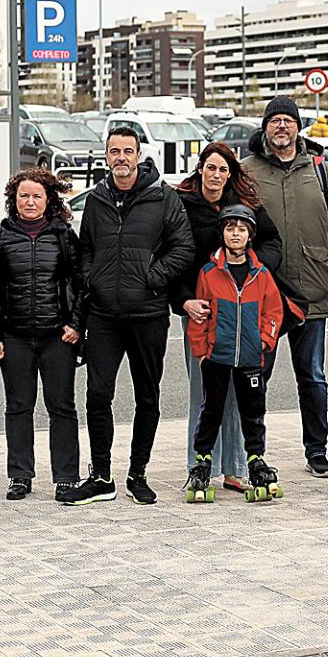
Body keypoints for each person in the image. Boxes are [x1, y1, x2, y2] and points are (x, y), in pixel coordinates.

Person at [63, 125, 196, 505]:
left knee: (147, 397)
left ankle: (138, 474)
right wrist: (94, 279)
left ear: (139, 155)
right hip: (104, 315)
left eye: (127, 151)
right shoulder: (97, 200)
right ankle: (102, 476)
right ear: (106, 156)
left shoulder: (163, 197)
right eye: (114, 151)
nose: (120, 157)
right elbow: (85, 248)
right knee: (97, 395)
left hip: (148, 313)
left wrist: (151, 278)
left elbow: (183, 248)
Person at [243, 96, 328, 477]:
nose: (281, 127)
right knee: (257, 374)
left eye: (288, 120)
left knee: (312, 376)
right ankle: (253, 453)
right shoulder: (247, 170)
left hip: (311, 288)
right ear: (265, 127)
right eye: (274, 121)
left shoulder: (320, 169)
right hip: (263, 294)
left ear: (298, 127)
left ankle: (317, 451)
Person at [172, 142, 284, 494]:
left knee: (241, 399)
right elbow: (169, 257)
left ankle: (237, 467)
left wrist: (248, 265)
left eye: (223, 169)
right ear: (200, 169)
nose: (216, 175)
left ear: (230, 173)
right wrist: (185, 300)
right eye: (210, 167)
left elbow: (273, 244)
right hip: (201, 311)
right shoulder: (182, 204)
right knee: (206, 395)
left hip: (242, 312)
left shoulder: (244, 206)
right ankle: (200, 463)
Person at [0, 168, 85, 501]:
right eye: (23, 195)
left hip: (58, 336)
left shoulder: (64, 236)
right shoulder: (0, 237)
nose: (30, 201)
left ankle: (67, 476)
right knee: (19, 406)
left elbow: (82, 285)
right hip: (15, 336)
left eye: (37, 196)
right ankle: (20, 475)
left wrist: (76, 325)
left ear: (48, 200)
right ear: (14, 199)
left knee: (62, 407)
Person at [184, 205, 301, 503]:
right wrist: (201, 351)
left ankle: (255, 459)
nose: (235, 234)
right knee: (212, 410)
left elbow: (273, 311)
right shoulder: (209, 273)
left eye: (241, 228)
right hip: (217, 357)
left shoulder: (261, 274)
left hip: (250, 359)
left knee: (253, 412)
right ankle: (202, 461)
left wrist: (264, 341)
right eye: (229, 228)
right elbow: (201, 316)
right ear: (222, 233)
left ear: (250, 235)